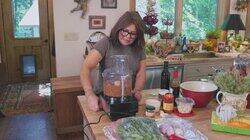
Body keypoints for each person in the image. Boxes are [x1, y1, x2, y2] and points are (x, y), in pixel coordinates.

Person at [80, 11, 146, 112]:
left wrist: (137, 90)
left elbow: (141, 73)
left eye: (133, 34)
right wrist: (89, 94)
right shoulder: (106, 43)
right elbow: (86, 67)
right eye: (125, 31)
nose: (128, 36)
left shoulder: (139, 47)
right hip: (102, 99)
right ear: (119, 28)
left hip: (125, 97)